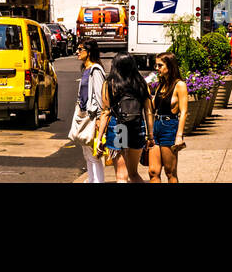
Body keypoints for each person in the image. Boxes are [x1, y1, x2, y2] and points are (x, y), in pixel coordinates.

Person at [96, 53, 154, 183]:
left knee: (121, 176)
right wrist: (150, 136)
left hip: (118, 128)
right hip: (137, 126)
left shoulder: (110, 84)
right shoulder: (141, 83)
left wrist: (100, 137)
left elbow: (105, 111)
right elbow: (148, 110)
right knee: (133, 174)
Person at [148, 52, 189, 183]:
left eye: (160, 65)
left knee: (170, 172)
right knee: (153, 172)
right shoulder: (161, 85)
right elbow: (153, 106)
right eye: (156, 65)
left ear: (170, 66)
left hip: (169, 127)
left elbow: (183, 112)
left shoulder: (179, 85)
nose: (157, 68)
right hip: (156, 126)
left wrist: (179, 135)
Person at [72, 39, 107, 183]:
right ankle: (92, 179)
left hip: (93, 117)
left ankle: (98, 181)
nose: (77, 52)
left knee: (94, 154)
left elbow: (100, 96)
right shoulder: (86, 70)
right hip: (84, 115)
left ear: (89, 52)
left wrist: (100, 118)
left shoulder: (95, 70)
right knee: (87, 153)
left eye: (80, 49)